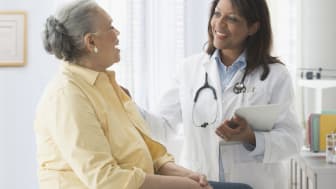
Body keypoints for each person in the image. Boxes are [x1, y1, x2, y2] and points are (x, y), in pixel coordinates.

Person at [34, 0, 254, 189]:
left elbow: (151, 153)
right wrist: (183, 186)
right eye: (111, 28)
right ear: (91, 42)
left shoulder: (106, 86)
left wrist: (185, 175)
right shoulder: (68, 96)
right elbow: (105, 179)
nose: (117, 34)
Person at [141, 0, 303, 189]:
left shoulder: (275, 76)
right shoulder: (189, 69)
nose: (219, 24)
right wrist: (126, 105)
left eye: (232, 18)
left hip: (255, 183)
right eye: (217, 14)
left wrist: (250, 137)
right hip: (201, 182)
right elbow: (163, 126)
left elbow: (292, 140)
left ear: (253, 27)